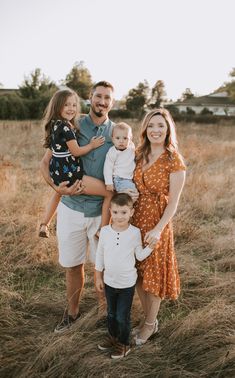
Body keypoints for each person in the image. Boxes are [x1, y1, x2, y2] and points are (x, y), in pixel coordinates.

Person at [40, 81, 115, 332]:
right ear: (90, 98)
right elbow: (45, 162)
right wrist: (57, 188)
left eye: (107, 98)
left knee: (103, 267)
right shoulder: (72, 124)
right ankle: (72, 314)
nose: (102, 102)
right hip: (71, 208)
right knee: (73, 265)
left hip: (100, 211)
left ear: (111, 103)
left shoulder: (116, 133)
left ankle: (106, 316)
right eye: (98, 96)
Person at [132, 108, 186, 345]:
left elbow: (173, 202)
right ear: (145, 129)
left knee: (153, 275)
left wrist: (158, 229)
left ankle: (150, 324)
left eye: (160, 126)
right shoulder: (137, 154)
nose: (155, 130)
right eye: (151, 125)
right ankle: (149, 320)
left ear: (168, 130)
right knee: (137, 273)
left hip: (157, 221)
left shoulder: (173, 159)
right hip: (134, 220)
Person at [39, 88, 113, 239]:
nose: (71, 109)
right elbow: (76, 152)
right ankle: (103, 230)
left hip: (59, 172)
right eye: (67, 105)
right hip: (74, 176)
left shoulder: (56, 124)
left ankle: (44, 224)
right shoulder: (66, 127)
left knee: (58, 192)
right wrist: (92, 145)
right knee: (109, 192)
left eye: (74, 105)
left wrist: (55, 185)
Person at [95, 193, 153, 359]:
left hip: (127, 284)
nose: (119, 217)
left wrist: (150, 247)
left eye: (123, 212)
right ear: (110, 212)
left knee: (122, 316)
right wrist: (98, 277)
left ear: (131, 212)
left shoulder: (135, 233)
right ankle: (113, 337)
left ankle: (124, 343)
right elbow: (100, 255)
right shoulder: (105, 231)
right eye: (115, 212)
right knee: (111, 314)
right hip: (109, 282)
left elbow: (140, 255)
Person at [103, 122, 138, 201]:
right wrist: (109, 183)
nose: (121, 141)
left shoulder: (131, 147)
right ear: (112, 139)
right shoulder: (112, 152)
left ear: (130, 139)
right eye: (118, 138)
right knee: (132, 195)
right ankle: (123, 210)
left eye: (125, 138)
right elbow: (107, 168)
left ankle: (126, 210)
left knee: (132, 197)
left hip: (129, 179)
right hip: (119, 179)